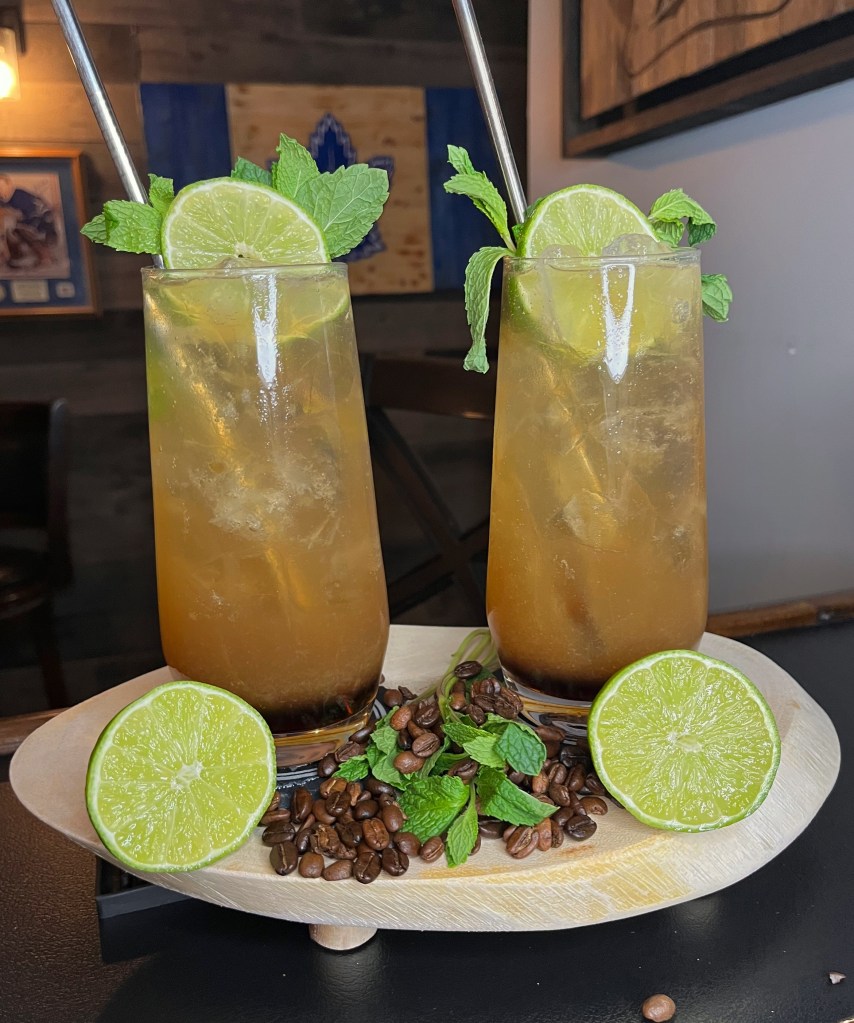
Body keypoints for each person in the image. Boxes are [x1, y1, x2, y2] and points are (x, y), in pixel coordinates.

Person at [0, 174, 59, 270]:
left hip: (43, 227)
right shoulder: (4, 199)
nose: (0, 191)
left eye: (1, 187)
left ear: (9, 185)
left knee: (16, 228)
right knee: (9, 226)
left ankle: (45, 256)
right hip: (29, 225)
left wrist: (16, 219)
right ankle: (12, 256)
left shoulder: (21, 196)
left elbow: (37, 215)